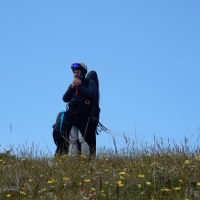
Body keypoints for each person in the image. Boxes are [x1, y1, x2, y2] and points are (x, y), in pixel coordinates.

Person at [63, 62, 98, 156]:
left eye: (77, 72)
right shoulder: (72, 86)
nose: (75, 74)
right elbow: (65, 98)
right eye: (74, 72)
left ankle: (85, 159)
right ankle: (72, 162)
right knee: (73, 139)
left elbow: (91, 95)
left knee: (83, 138)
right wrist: (71, 88)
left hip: (84, 116)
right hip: (72, 116)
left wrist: (80, 86)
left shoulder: (89, 83)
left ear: (82, 73)